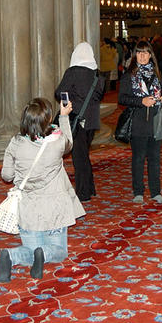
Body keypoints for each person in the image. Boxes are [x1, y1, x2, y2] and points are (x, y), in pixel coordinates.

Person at [0, 98, 85, 283]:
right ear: (48, 119)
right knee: (59, 252)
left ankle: (10, 256)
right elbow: (69, 144)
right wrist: (64, 117)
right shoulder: (58, 141)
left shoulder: (16, 143)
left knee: (29, 251)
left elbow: (7, 176)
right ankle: (43, 253)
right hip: (55, 207)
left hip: (28, 208)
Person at [118, 41, 162, 204]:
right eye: (139, 53)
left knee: (154, 158)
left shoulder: (156, 74)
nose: (142, 56)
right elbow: (122, 98)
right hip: (138, 121)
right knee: (139, 158)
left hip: (156, 120)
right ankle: (138, 192)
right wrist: (141, 101)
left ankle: (156, 192)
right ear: (135, 55)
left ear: (150, 56)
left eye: (145, 53)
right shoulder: (129, 75)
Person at [55, 42, 106, 203]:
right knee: (84, 154)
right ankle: (90, 187)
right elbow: (99, 95)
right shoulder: (98, 75)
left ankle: (83, 192)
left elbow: (59, 92)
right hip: (91, 120)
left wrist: (67, 104)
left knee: (79, 157)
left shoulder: (73, 72)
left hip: (76, 118)